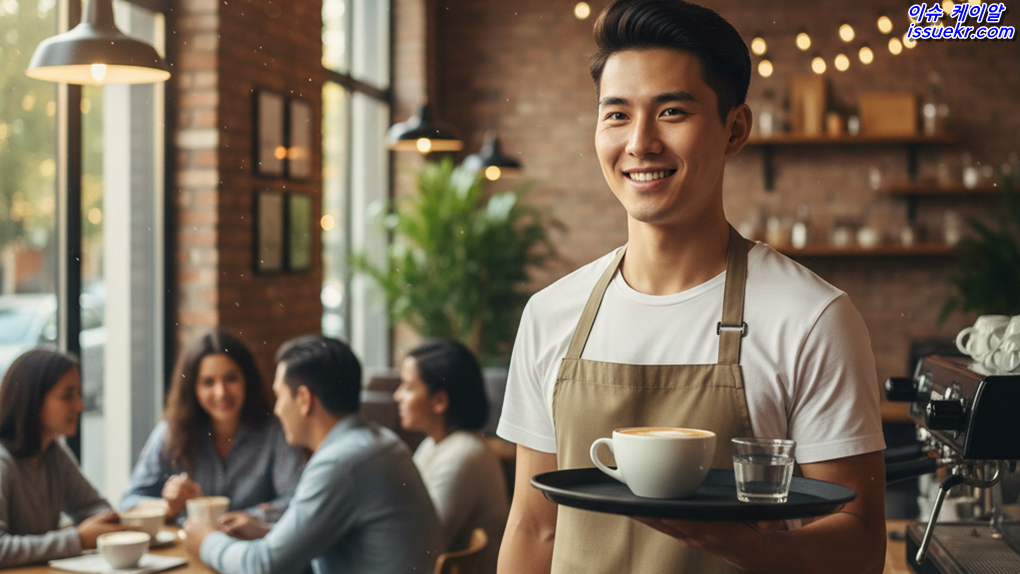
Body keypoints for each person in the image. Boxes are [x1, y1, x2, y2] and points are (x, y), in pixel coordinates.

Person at [495, 1, 887, 573]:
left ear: (735, 129)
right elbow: (534, 527)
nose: (640, 143)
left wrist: (755, 549)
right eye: (616, 115)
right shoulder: (552, 313)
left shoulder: (811, 317)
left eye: (672, 111)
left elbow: (860, 542)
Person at [183, 335, 442, 574]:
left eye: (280, 396)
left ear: (305, 399)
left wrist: (206, 539)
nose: (278, 409)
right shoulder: (378, 443)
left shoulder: (340, 463)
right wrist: (269, 533)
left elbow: (263, 566)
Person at [120, 330, 303, 536]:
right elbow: (128, 502)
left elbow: (295, 500)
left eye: (231, 378)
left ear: (247, 380)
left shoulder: (275, 432)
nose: (221, 392)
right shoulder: (171, 432)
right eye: (208, 382)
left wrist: (245, 518)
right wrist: (167, 506)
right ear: (192, 388)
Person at [0, 349, 125, 568]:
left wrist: (107, 523)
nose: (80, 405)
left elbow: (94, 507)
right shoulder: (3, 462)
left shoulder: (53, 452)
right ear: (33, 400)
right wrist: (77, 539)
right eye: (68, 395)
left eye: (78, 393)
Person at [394, 339, 509, 574]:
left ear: (439, 401)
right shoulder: (435, 444)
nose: (398, 396)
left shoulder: (463, 455)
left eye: (408, 387)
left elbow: (420, 548)